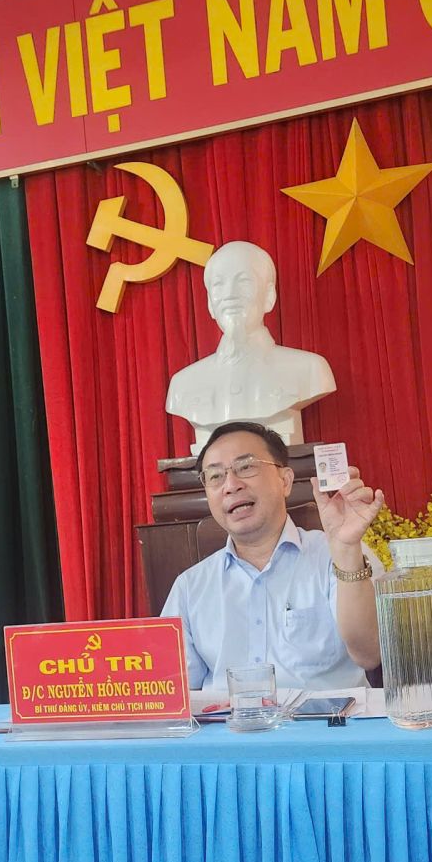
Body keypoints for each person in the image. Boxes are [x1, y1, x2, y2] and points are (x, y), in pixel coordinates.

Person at [161, 420, 386, 691]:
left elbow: (369, 654)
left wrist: (346, 549)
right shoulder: (189, 587)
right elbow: (171, 691)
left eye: (246, 467)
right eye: (215, 476)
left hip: (326, 718)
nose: (231, 485)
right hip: (226, 719)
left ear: (285, 481)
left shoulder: (338, 555)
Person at [165, 241, 336, 452]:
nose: (230, 294)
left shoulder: (310, 369)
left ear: (269, 295)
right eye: (218, 284)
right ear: (209, 303)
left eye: (243, 280)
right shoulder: (183, 384)